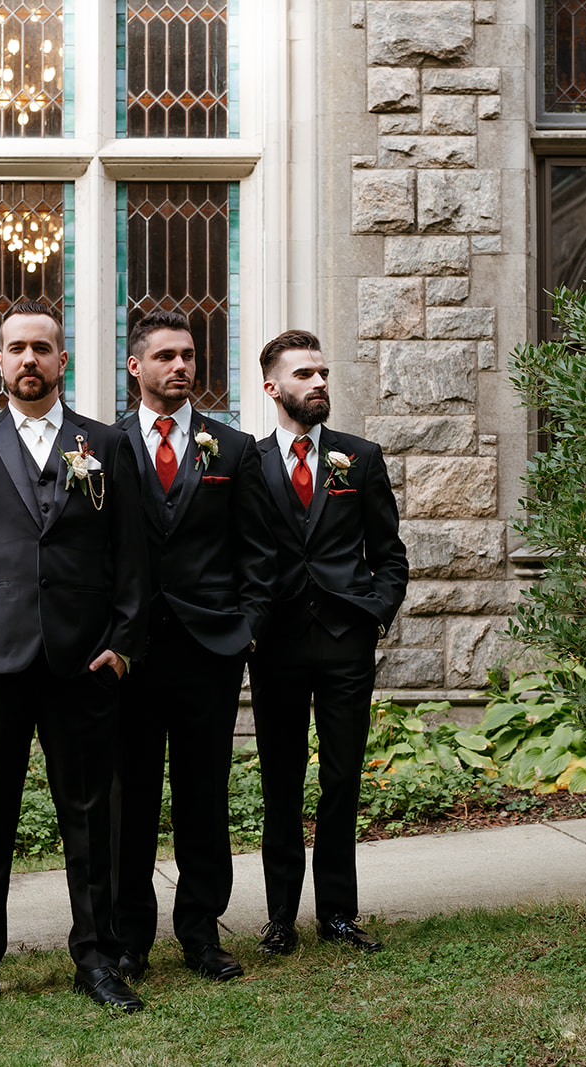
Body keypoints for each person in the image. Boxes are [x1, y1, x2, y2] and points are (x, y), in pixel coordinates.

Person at [0, 300, 149, 1015]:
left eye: (41, 348)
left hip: (83, 664)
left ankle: (97, 958)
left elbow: (132, 559)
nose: (29, 359)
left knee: (90, 821)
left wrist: (120, 645)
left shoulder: (106, 444)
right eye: (15, 348)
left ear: (63, 359)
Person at [111, 310, 274, 983]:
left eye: (188, 355)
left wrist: (246, 628)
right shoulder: (102, 446)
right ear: (136, 367)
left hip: (209, 650)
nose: (181, 366)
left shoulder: (232, 449)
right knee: (129, 800)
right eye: (166, 356)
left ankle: (203, 933)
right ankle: (127, 940)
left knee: (204, 797)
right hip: (129, 654)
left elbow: (258, 552)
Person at [249, 330, 408, 957]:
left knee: (342, 778)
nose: (318, 383)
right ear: (273, 388)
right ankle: (281, 917)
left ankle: (339, 912)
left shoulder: (359, 457)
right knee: (281, 781)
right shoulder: (248, 461)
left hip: (346, 641)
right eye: (304, 374)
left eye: (322, 371)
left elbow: (389, 554)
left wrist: (376, 613)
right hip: (278, 645)